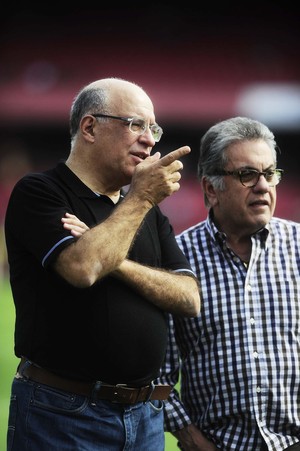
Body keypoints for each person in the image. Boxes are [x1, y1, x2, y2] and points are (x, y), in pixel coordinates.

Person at [4, 77, 200, 451]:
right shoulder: (40, 192)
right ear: (90, 127)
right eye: (136, 124)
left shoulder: (149, 214)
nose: (150, 139)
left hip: (144, 417)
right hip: (63, 413)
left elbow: (189, 297)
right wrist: (140, 199)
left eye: (153, 128)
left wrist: (119, 262)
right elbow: (83, 269)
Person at [160, 116, 300, 451]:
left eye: (270, 174)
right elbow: (156, 374)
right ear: (211, 188)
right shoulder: (177, 259)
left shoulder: (298, 246)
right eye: (248, 175)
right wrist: (192, 439)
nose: (264, 187)